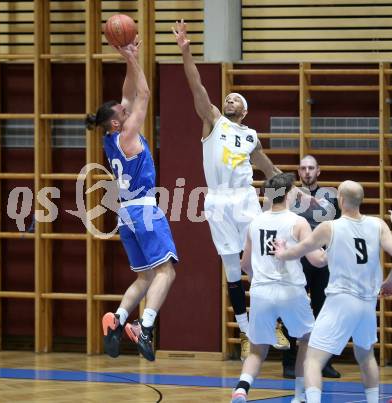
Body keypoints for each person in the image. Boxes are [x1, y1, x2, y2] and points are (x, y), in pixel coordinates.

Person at [173, 19, 288, 360]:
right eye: (227, 97)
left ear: (246, 110)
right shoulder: (212, 120)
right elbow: (196, 87)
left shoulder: (250, 136)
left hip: (245, 199)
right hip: (218, 201)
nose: (229, 100)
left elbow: (269, 170)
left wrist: (296, 193)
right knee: (232, 269)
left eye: (236, 99)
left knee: (262, 265)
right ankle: (245, 330)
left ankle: (274, 321)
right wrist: (186, 51)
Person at [85, 40, 178, 362]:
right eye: (122, 112)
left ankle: (119, 319)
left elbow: (127, 96)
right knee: (166, 272)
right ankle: (145, 325)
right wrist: (133, 59)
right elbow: (143, 95)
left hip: (124, 215)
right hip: (144, 210)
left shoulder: (111, 136)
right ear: (117, 122)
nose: (127, 109)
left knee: (144, 277)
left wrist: (130, 59)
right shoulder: (127, 135)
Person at [275, 180, 392, 403]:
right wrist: (389, 280)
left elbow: (300, 250)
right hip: (368, 303)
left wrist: (282, 253)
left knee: (312, 360)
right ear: (361, 200)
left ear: (340, 199)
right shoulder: (379, 225)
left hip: (341, 300)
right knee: (366, 356)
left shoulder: (330, 227)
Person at [231, 173, 327, 403]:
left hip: (261, 291)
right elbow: (316, 260)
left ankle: (242, 389)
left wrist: (260, 276)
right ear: (288, 194)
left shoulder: (255, 223)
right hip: (290, 289)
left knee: (257, 350)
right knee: (308, 340)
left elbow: (244, 264)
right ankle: (299, 396)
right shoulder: (298, 222)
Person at [282, 155, 341, 379]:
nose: (307, 171)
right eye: (303, 168)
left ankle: (323, 363)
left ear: (319, 171)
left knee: (324, 312)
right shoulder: (290, 196)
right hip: (297, 260)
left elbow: (339, 228)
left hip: (323, 260)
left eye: (311, 168)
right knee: (293, 309)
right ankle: (289, 363)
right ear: (298, 172)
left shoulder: (332, 196)